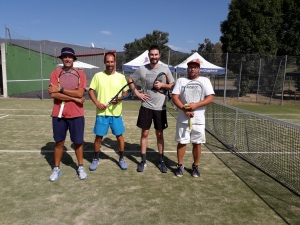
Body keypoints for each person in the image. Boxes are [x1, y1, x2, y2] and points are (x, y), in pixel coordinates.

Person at [128, 45, 175, 173]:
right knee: (145, 133)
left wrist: (163, 85)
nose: (154, 57)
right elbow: (130, 79)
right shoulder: (142, 69)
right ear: (149, 55)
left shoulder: (165, 69)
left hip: (160, 107)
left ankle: (161, 161)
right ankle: (143, 161)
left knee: (160, 134)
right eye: (152, 54)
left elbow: (172, 84)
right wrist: (137, 93)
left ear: (159, 55)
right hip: (146, 106)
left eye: (156, 54)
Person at [48, 47, 87, 181]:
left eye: (70, 57)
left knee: (78, 142)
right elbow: (53, 94)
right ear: (62, 59)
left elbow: (80, 93)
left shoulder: (81, 74)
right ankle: (56, 169)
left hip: (76, 114)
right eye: (64, 57)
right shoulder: (55, 73)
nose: (67, 59)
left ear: (74, 59)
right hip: (58, 114)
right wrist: (75, 98)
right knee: (59, 142)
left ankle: (80, 167)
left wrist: (61, 89)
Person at [172, 59, 214, 177]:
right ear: (187, 68)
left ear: (199, 69)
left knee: (197, 143)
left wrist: (196, 105)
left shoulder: (205, 81)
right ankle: (180, 166)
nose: (192, 69)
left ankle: (195, 167)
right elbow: (175, 98)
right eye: (190, 67)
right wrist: (184, 109)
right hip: (183, 119)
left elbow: (210, 98)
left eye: (195, 67)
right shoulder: (180, 81)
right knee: (182, 142)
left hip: (199, 119)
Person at [89, 52, 128, 171]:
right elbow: (91, 91)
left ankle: (121, 158)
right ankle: (96, 159)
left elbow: (125, 92)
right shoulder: (98, 76)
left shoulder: (121, 77)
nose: (110, 64)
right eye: (108, 61)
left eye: (112, 61)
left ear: (115, 62)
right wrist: (97, 103)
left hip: (116, 113)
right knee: (98, 138)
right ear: (104, 62)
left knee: (119, 137)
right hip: (102, 114)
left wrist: (119, 98)